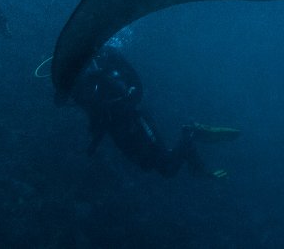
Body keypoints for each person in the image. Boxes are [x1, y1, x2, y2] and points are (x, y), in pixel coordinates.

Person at [71, 45, 239, 178]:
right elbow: (98, 117)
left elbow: (130, 92)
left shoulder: (101, 70)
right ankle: (193, 150)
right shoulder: (87, 86)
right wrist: (95, 141)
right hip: (120, 130)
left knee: (165, 166)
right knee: (151, 165)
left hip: (134, 122)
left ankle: (191, 133)